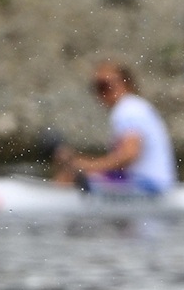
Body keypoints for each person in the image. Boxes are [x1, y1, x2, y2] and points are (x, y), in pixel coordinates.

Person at [53, 61, 177, 193]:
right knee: (77, 173)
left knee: (72, 176)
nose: (102, 92)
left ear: (127, 83)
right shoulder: (135, 106)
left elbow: (129, 155)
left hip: (150, 186)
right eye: (98, 87)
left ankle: (51, 200)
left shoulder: (128, 109)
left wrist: (85, 165)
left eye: (106, 85)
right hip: (150, 182)